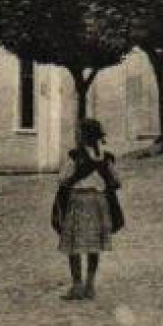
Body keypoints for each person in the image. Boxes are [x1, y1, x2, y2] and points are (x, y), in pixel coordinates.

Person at [51, 118, 124, 301]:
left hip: (79, 202)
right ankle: (90, 286)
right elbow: (116, 181)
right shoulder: (106, 157)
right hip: (99, 203)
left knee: (74, 246)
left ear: (83, 136)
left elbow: (62, 179)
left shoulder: (75, 156)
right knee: (94, 246)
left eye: (78, 132)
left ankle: (77, 286)